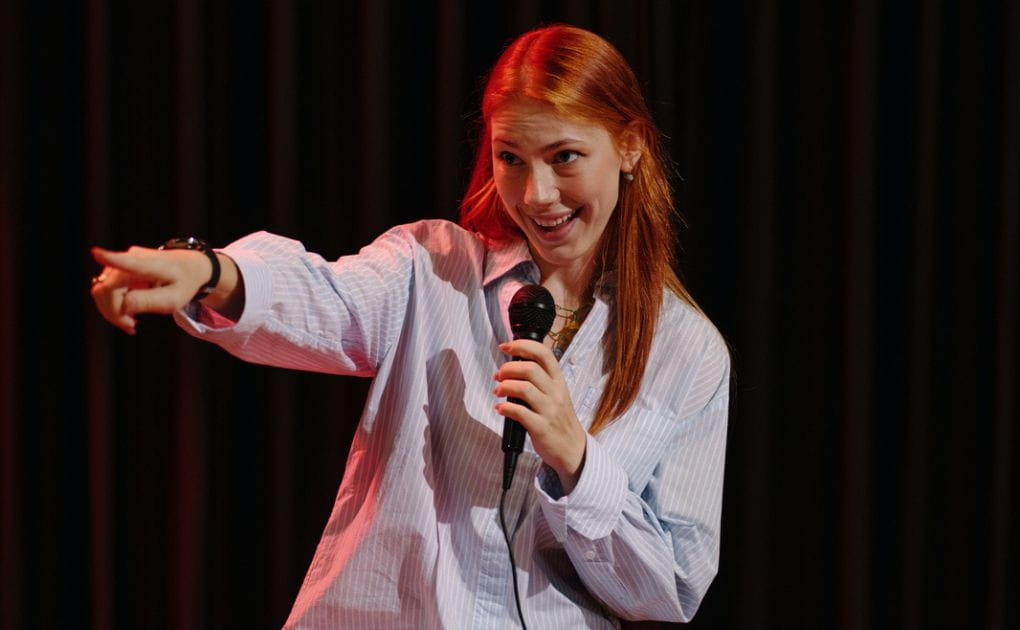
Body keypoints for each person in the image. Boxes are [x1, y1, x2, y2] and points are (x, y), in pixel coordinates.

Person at [90, 24, 729, 629]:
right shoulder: (432, 266)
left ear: (629, 146)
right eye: (510, 158)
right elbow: (326, 298)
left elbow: (672, 586)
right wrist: (211, 272)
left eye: (565, 157)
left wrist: (577, 461)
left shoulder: (688, 352)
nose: (536, 193)